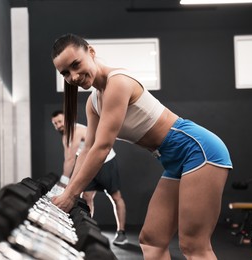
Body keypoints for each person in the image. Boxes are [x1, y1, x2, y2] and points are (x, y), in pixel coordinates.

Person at [50, 33, 232, 259]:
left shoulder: (117, 82)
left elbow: (102, 147)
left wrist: (70, 195)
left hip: (197, 149)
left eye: (75, 64)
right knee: (152, 241)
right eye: (65, 73)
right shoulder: (94, 101)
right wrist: (68, 192)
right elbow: (87, 149)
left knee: (194, 246)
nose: (74, 76)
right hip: (173, 159)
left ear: (91, 52)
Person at [51, 110, 128, 245]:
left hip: (106, 162)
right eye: (55, 123)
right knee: (86, 197)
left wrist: (64, 182)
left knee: (115, 197)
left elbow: (70, 160)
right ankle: (87, 229)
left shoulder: (76, 131)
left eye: (60, 121)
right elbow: (69, 159)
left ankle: (121, 232)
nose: (58, 125)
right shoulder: (65, 136)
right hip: (89, 164)